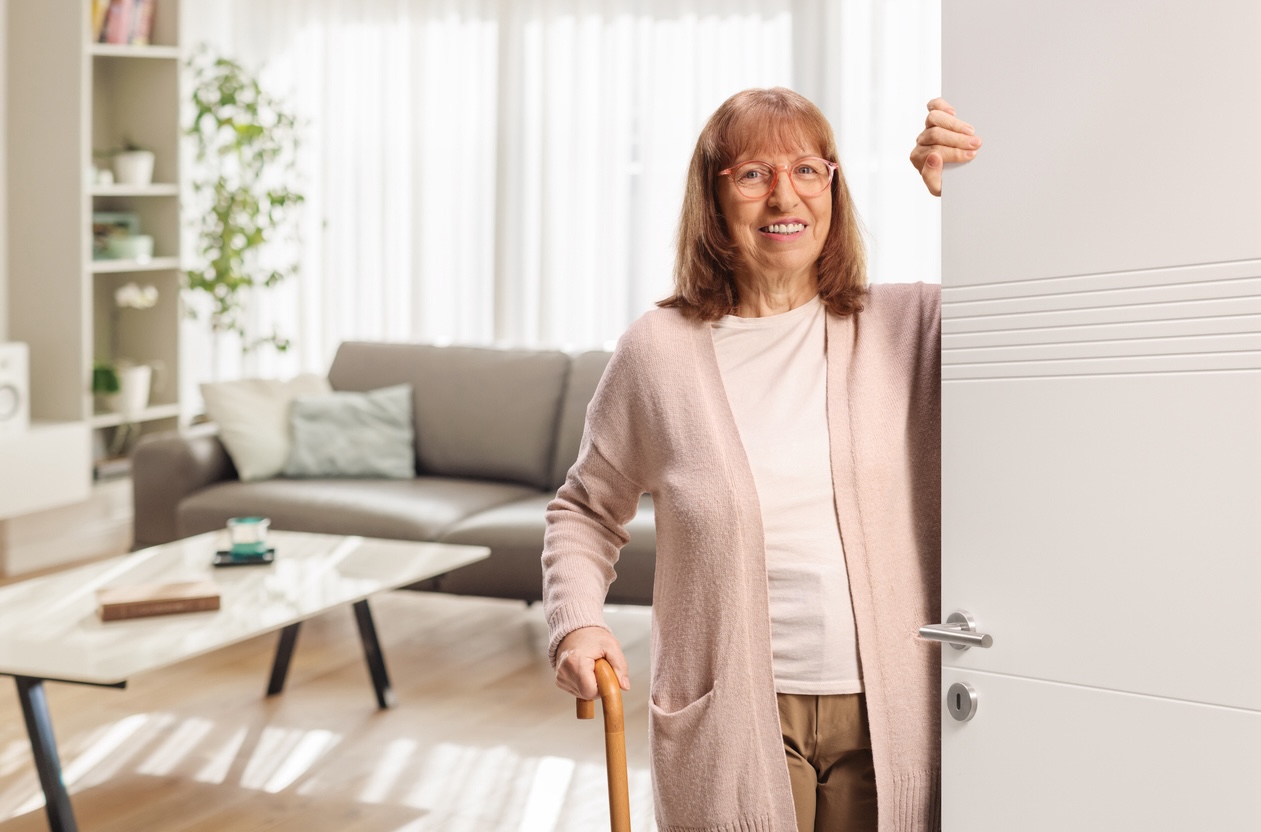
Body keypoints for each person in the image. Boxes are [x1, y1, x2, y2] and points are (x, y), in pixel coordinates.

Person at [542, 89, 980, 832]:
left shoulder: (908, 324)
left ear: (833, 189)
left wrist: (971, 200)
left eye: (808, 170)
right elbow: (585, 509)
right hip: (735, 710)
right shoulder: (658, 352)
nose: (785, 195)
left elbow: (1044, 305)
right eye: (752, 175)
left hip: (892, 708)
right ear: (711, 199)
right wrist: (578, 622)